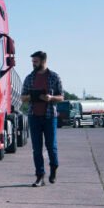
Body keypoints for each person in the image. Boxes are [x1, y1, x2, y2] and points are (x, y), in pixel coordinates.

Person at [20, 51, 64, 187]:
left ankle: (54, 168)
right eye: (32, 62)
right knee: (36, 149)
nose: (33, 64)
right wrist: (32, 97)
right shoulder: (29, 78)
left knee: (51, 147)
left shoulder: (54, 77)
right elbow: (23, 97)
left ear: (44, 61)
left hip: (50, 117)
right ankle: (40, 176)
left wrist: (51, 98)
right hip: (34, 116)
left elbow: (62, 97)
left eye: (36, 62)